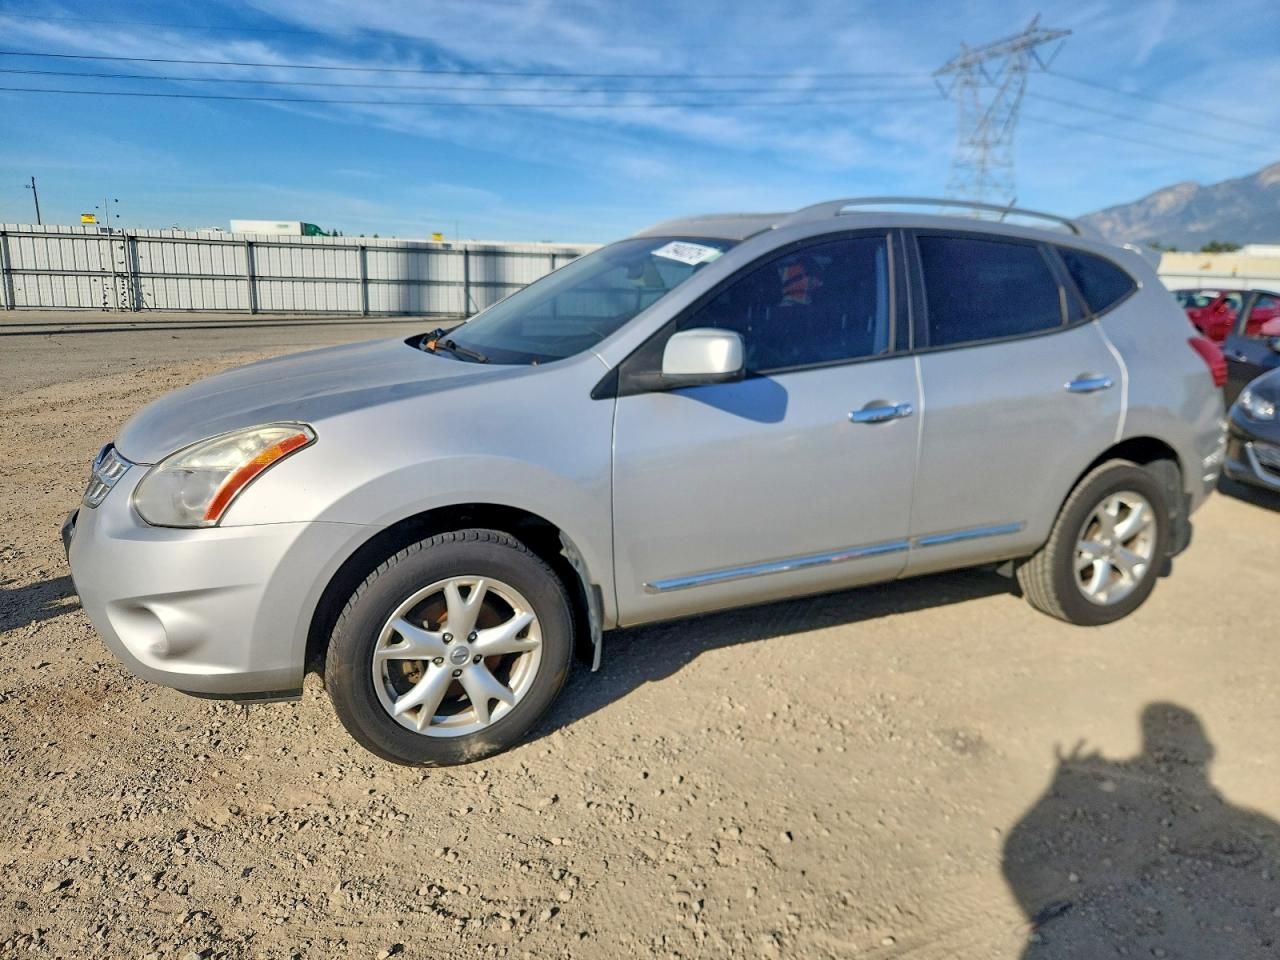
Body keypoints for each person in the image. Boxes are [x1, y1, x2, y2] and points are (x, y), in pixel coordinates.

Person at [1003, 703, 1280, 958]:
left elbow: (1020, 864)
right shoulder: (1259, 829)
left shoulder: (1256, 830)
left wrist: (1058, 789)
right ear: (1209, 752)